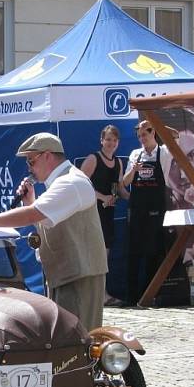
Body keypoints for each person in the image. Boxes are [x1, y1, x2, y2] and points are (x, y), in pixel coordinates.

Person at [0, 132, 107, 387]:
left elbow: (35, 215)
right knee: (61, 347)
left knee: (79, 345)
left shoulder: (72, 182)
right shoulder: (58, 185)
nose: (30, 168)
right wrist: (30, 202)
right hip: (65, 273)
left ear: (46, 155)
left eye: (31, 161)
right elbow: (42, 218)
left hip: (80, 273)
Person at [121, 119, 176, 306]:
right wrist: (134, 170)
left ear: (153, 133)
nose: (142, 138)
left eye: (145, 134)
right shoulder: (135, 154)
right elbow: (126, 182)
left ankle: (148, 295)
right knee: (133, 252)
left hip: (156, 207)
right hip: (137, 208)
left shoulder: (164, 153)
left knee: (153, 252)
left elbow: (176, 136)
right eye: (139, 136)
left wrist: (155, 122)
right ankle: (131, 297)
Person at [80, 125, 129, 306]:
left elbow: (120, 188)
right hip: (92, 214)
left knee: (104, 256)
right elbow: (80, 186)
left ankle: (102, 294)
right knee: (93, 255)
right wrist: (102, 197)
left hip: (108, 215)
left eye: (114, 140)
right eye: (108, 139)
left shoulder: (118, 163)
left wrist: (134, 199)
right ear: (102, 140)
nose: (111, 143)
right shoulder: (93, 159)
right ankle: (97, 296)